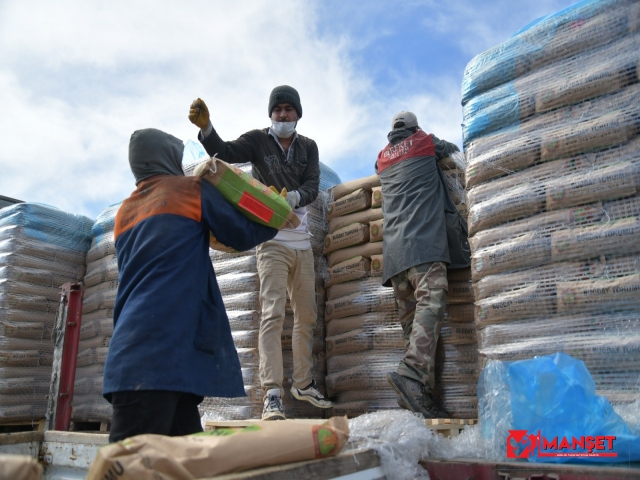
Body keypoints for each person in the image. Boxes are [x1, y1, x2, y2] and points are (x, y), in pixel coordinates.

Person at [103, 128, 277, 442]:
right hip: (159, 357)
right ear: (166, 157)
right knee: (128, 468)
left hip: (141, 356)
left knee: (185, 461)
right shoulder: (189, 189)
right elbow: (240, 233)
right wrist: (275, 215)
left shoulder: (123, 214)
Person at [188, 86, 332, 420]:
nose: (283, 115)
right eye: (278, 110)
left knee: (307, 316)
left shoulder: (308, 147)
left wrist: (294, 198)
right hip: (272, 241)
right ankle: (272, 394)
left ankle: (303, 383)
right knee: (272, 315)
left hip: (302, 243)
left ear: (298, 114)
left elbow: (313, 184)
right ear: (271, 114)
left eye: (289, 110)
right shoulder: (257, 140)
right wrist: (207, 130)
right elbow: (223, 152)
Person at [375, 111, 471, 419]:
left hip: (394, 258)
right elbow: (453, 150)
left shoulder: (382, 158)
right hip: (424, 247)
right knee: (432, 305)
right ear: (415, 128)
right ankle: (412, 374)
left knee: (414, 327)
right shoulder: (426, 142)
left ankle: (423, 398)